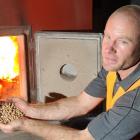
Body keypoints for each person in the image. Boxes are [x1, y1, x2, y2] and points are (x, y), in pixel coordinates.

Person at [0, 4, 140, 140]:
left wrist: (23, 123)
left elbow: (84, 138)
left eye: (123, 42)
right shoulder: (115, 68)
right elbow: (81, 103)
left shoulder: (135, 101)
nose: (108, 49)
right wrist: (29, 110)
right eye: (107, 37)